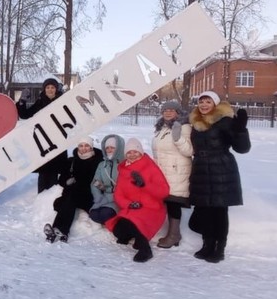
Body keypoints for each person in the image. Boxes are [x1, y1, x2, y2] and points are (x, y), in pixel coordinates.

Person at [188, 91, 251, 263]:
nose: (204, 105)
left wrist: (241, 130)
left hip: (221, 169)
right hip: (201, 168)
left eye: (208, 101)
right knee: (205, 210)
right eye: (201, 101)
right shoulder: (195, 123)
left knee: (219, 211)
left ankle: (219, 248)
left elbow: (242, 148)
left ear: (215, 104)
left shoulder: (225, 121)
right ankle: (207, 245)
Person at [105, 138, 170, 263]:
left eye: (135, 151)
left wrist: (145, 185)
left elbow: (164, 191)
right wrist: (129, 204)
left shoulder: (150, 167)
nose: (132, 155)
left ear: (141, 152)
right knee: (119, 230)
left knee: (135, 221)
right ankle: (132, 236)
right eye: (129, 152)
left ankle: (145, 249)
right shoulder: (123, 171)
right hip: (133, 207)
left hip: (152, 208)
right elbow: (118, 195)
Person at [43, 137, 103, 243]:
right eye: (81, 146)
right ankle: (59, 231)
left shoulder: (98, 161)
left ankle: (59, 229)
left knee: (70, 198)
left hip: (88, 194)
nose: (84, 148)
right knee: (70, 198)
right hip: (72, 193)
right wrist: (66, 181)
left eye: (87, 146)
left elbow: (99, 179)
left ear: (91, 147)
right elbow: (61, 180)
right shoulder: (72, 161)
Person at [151, 100, 193, 248]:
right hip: (163, 171)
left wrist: (178, 138)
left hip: (177, 171)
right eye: (165, 110)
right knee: (168, 202)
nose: (168, 112)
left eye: (171, 110)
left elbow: (189, 151)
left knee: (174, 202)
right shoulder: (162, 127)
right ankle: (171, 233)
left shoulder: (184, 126)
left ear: (178, 112)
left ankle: (174, 234)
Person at [16, 77, 69, 193]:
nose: (50, 90)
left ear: (56, 89)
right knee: (44, 171)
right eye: (48, 87)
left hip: (59, 141)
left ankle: (52, 200)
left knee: (55, 172)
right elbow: (25, 115)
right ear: (44, 89)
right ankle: (41, 200)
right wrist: (22, 101)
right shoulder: (40, 102)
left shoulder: (62, 101)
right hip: (43, 143)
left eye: (52, 87)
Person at [89, 134, 124, 224]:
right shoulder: (102, 165)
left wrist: (111, 197)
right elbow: (95, 182)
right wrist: (98, 197)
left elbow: (126, 186)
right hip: (104, 196)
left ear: (118, 148)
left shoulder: (124, 164)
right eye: (107, 148)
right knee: (94, 215)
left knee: (105, 214)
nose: (109, 150)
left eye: (112, 147)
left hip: (119, 198)